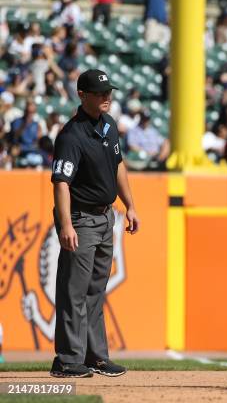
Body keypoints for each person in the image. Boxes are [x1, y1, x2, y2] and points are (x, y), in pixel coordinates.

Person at [50, 69, 139, 378]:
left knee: (95, 291)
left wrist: (130, 205)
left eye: (108, 92)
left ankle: (96, 357)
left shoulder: (108, 126)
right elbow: (61, 183)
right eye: (100, 93)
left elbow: (118, 165)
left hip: (105, 217)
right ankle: (67, 359)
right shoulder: (72, 135)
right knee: (74, 291)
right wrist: (66, 225)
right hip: (81, 218)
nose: (107, 97)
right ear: (82, 96)